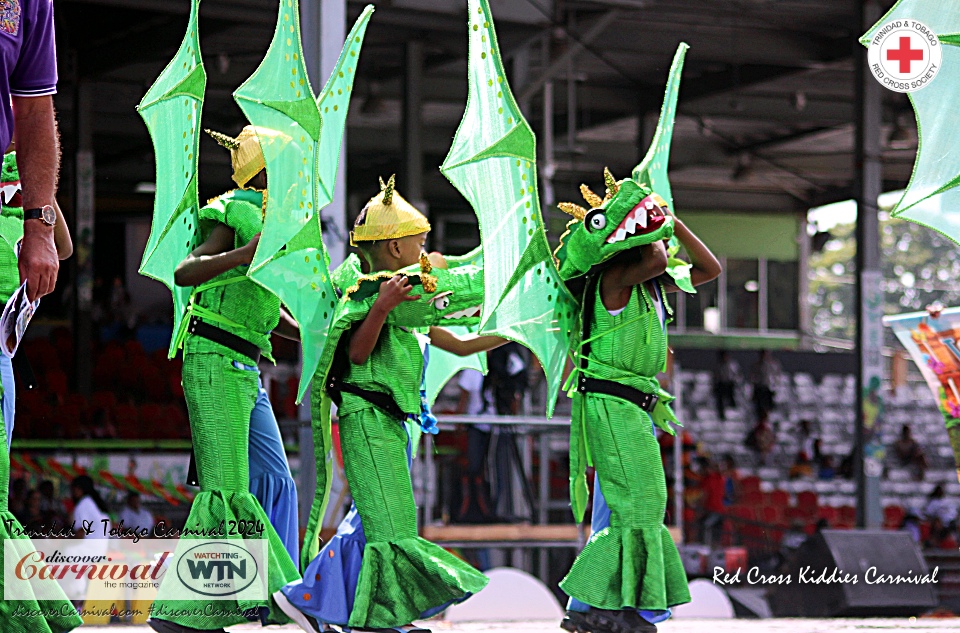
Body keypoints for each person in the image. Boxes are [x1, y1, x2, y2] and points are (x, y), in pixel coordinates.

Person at [276, 177, 499, 633]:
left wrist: (516, 333)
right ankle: (378, 621)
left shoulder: (403, 301)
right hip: (365, 417)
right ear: (395, 248)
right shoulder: (370, 292)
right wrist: (380, 307)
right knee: (391, 529)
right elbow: (356, 355)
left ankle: (309, 599)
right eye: (419, 242)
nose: (425, 250)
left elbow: (459, 342)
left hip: (393, 423)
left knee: (371, 525)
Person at [147, 126, 300, 633]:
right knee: (226, 491)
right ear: (262, 165)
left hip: (247, 366)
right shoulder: (232, 208)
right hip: (212, 358)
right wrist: (243, 254)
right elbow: (187, 272)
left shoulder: (279, 222)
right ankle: (202, 610)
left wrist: (321, 337)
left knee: (276, 480)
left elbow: (270, 308)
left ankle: (275, 594)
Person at [558, 174, 722, 633]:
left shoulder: (649, 282)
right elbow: (654, 255)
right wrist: (658, 226)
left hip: (635, 406)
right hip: (611, 402)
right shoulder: (613, 277)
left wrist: (676, 223)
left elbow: (709, 270)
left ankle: (597, 610)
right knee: (640, 507)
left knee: (633, 509)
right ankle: (608, 610)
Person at [749, 350, 782, 419]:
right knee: (759, 407)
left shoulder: (774, 365)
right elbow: (752, 377)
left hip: (769, 389)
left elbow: (777, 376)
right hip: (759, 389)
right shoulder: (756, 365)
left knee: (769, 407)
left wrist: (774, 385)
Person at [712, 350, 740, 420]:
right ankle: (721, 414)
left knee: (731, 393)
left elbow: (736, 375)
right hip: (721, 384)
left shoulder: (732, 365)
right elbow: (715, 376)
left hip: (730, 384)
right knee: (719, 397)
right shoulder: (718, 366)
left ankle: (734, 408)